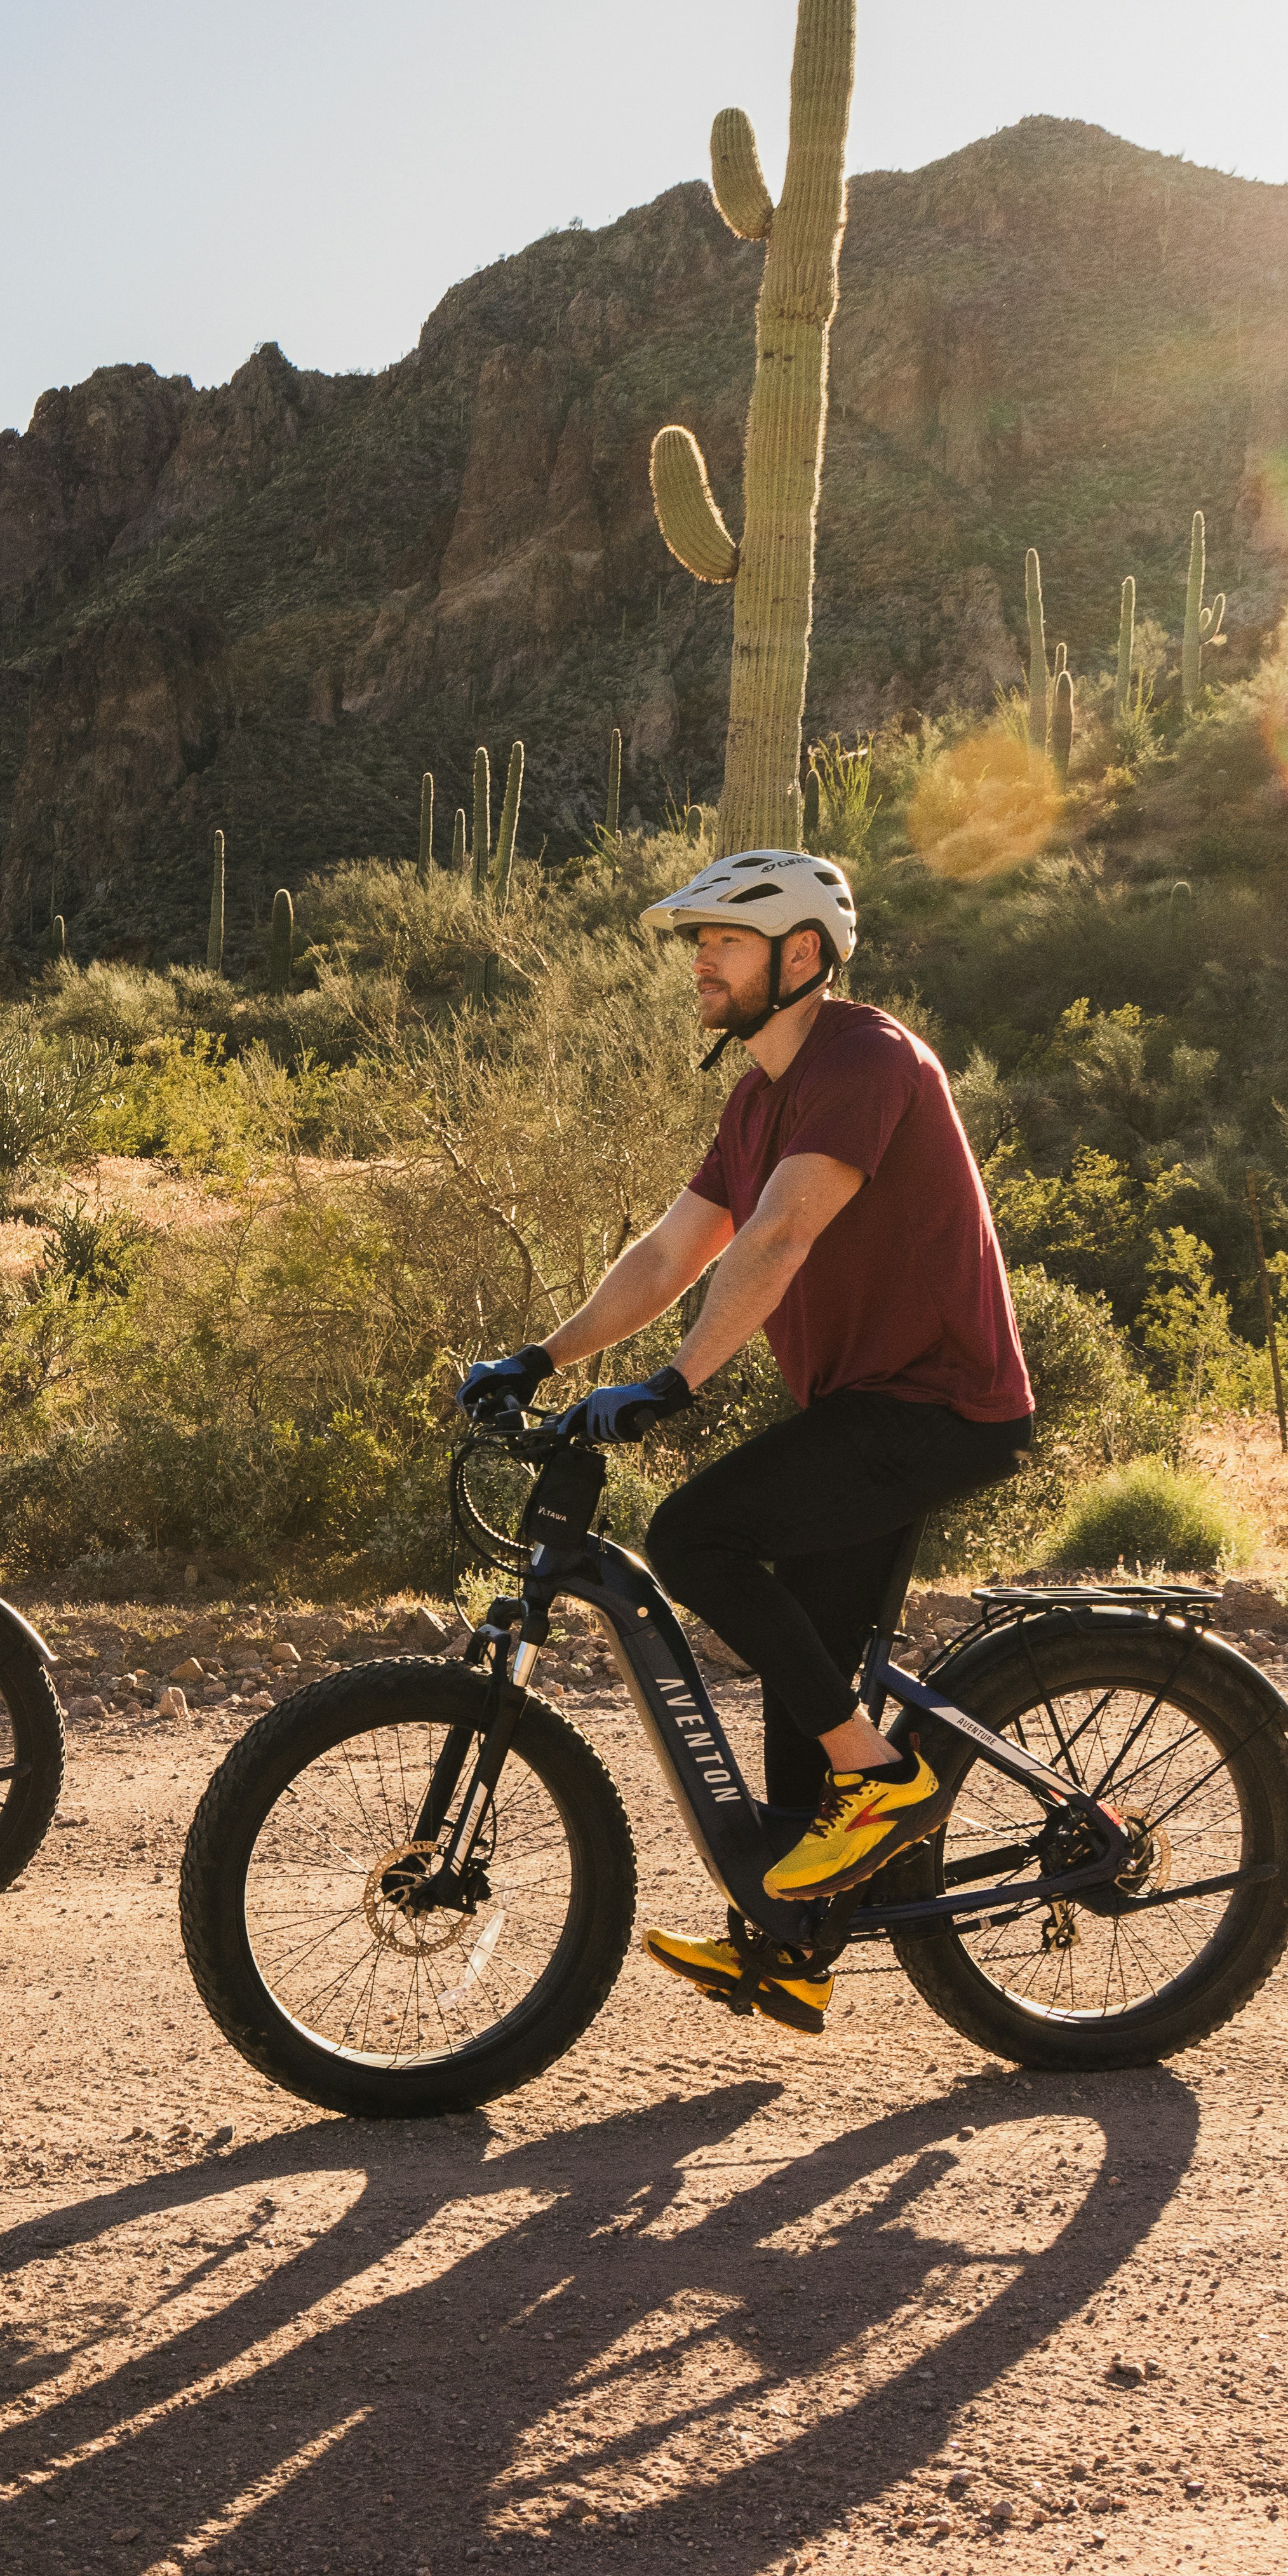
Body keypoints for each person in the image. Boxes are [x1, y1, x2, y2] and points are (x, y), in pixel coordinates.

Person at [456, 849, 1039, 2032]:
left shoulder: (864, 1061)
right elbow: (676, 1251)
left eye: (723, 941)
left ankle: (882, 1783)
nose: (701, 963)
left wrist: (673, 1383)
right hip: (862, 1409)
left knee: (697, 1534)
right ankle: (793, 1946)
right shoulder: (757, 1095)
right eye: (699, 944)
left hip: (938, 1406)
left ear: (804, 957)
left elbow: (776, 1239)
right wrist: (545, 1358)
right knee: (803, 1667)